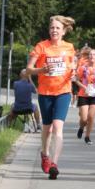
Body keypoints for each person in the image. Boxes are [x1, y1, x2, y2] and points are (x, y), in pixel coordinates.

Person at [27, 15, 76, 180]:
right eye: (52, 28)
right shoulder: (41, 47)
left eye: (57, 28)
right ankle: (45, 154)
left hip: (63, 91)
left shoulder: (69, 47)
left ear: (63, 31)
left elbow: (72, 66)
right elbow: (28, 69)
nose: (54, 30)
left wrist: (73, 71)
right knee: (47, 128)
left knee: (57, 127)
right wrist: (41, 70)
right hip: (45, 92)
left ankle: (54, 164)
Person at [76, 48, 95, 145]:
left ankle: (87, 136)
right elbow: (77, 80)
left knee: (91, 116)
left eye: (94, 54)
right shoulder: (83, 68)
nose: (92, 56)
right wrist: (84, 87)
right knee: (84, 118)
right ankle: (81, 127)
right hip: (84, 94)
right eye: (90, 54)